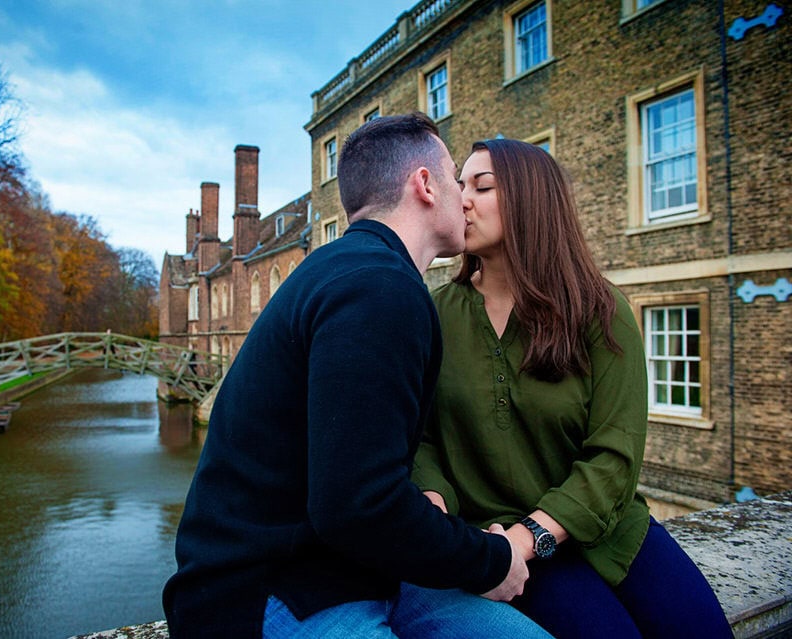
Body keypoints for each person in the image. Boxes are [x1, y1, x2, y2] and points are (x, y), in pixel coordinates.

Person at [163, 114, 551, 639]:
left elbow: (362, 474)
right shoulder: (377, 288)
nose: (464, 196)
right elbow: (358, 507)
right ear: (424, 184)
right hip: (265, 589)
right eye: (456, 178)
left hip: (353, 569)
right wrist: (492, 559)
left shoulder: (354, 270)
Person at [412, 138, 733, 638]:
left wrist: (526, 538)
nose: (462, 199)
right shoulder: (431, 314)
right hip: (504, 545)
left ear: (532, 199)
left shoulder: (601, 311)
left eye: (483, 186)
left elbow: (615, 456)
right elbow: (419, 435)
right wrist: (435, 503)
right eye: (459, 186)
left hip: (609, 533)